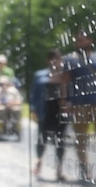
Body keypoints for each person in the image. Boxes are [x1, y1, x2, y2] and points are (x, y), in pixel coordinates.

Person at [61, 31, 96, 183]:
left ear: (89, 41)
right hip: (79, 104)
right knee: (81, 138)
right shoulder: (70, 60)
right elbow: (65, 81)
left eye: (82, 40)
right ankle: (85, 169)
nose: (79, 42)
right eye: (77, 40)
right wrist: (64, 101)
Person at [30, 50, 68, 181]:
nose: (55, 61)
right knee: (42, 138)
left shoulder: (65, 75)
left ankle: (59, 169)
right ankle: (39, 160)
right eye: (52, 59)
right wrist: (33, 109)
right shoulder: (40, 75)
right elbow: (34, 94)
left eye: (57, 58)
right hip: (45, 110)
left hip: (60, 111)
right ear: (48, 61)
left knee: (60, 141)